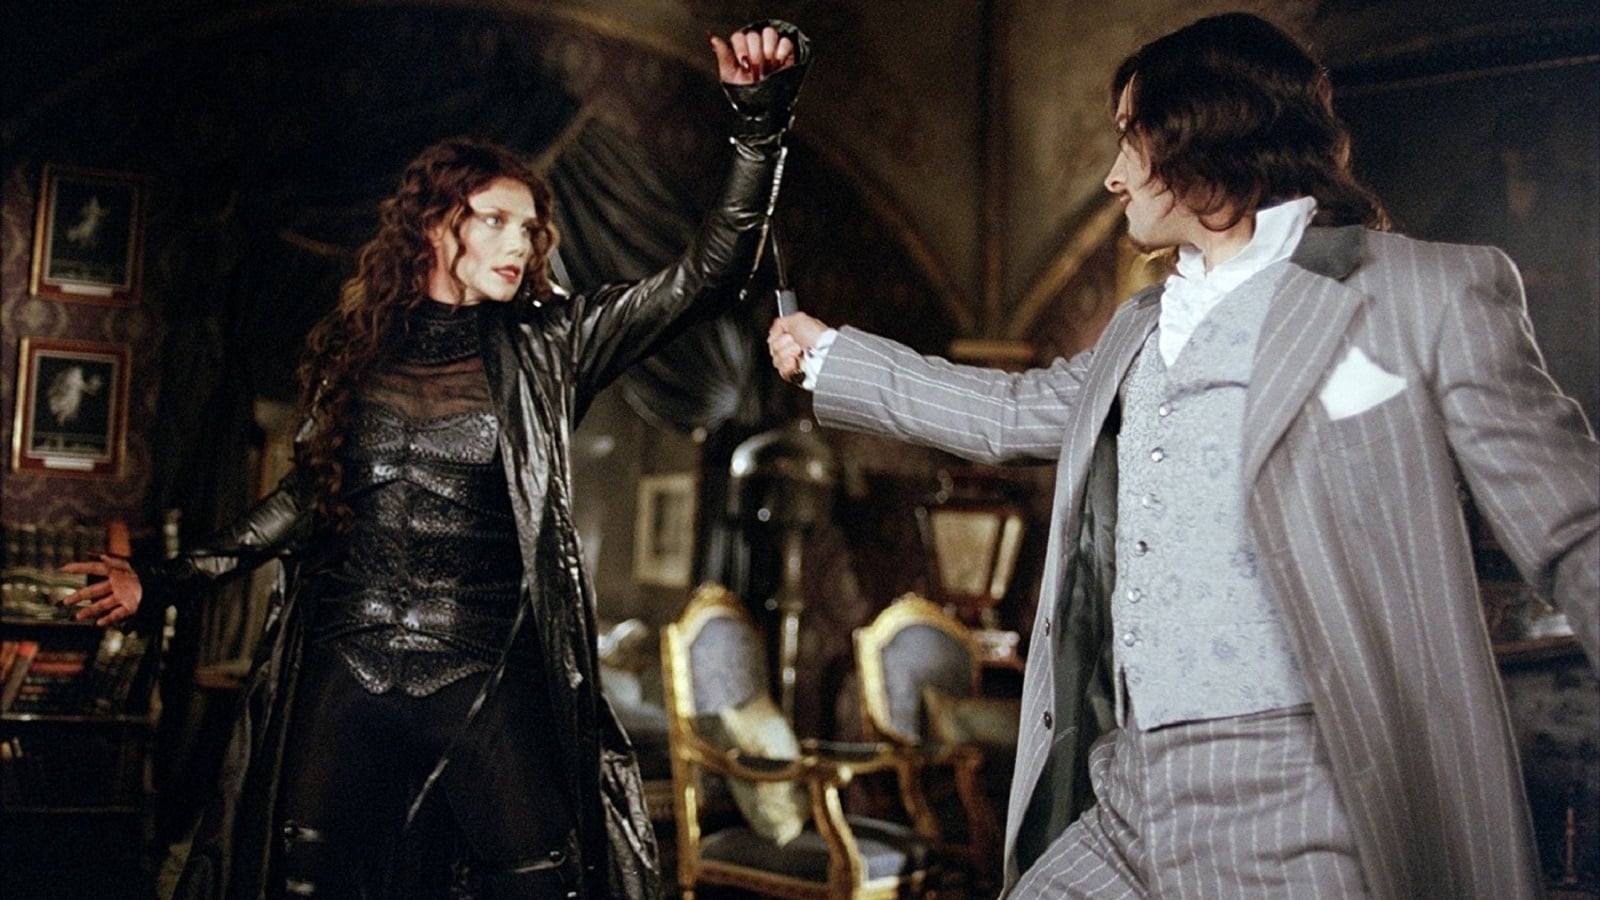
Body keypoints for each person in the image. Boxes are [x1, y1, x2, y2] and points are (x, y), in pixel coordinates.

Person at [767, 12, 1597, 900]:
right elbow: (1008, 411)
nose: (1112, 175)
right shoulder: (1140, 328)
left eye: (1131, 138)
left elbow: (1573, 526)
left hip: (1301, 795)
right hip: (1130, 783)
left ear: (1204, 133)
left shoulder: (1425, 294)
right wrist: (829, 356)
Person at [60, 20, 810, 900]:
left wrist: (760, 124)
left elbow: (708, 275)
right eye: (495, 221)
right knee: (304, 880)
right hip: (347, 665)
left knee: (542, 880)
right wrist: (164, 579)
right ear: (433, 226)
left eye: (530, 228)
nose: (520, 244)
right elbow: (307, 498)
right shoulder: (355, 347)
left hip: (485, 672)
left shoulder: (553, 344)